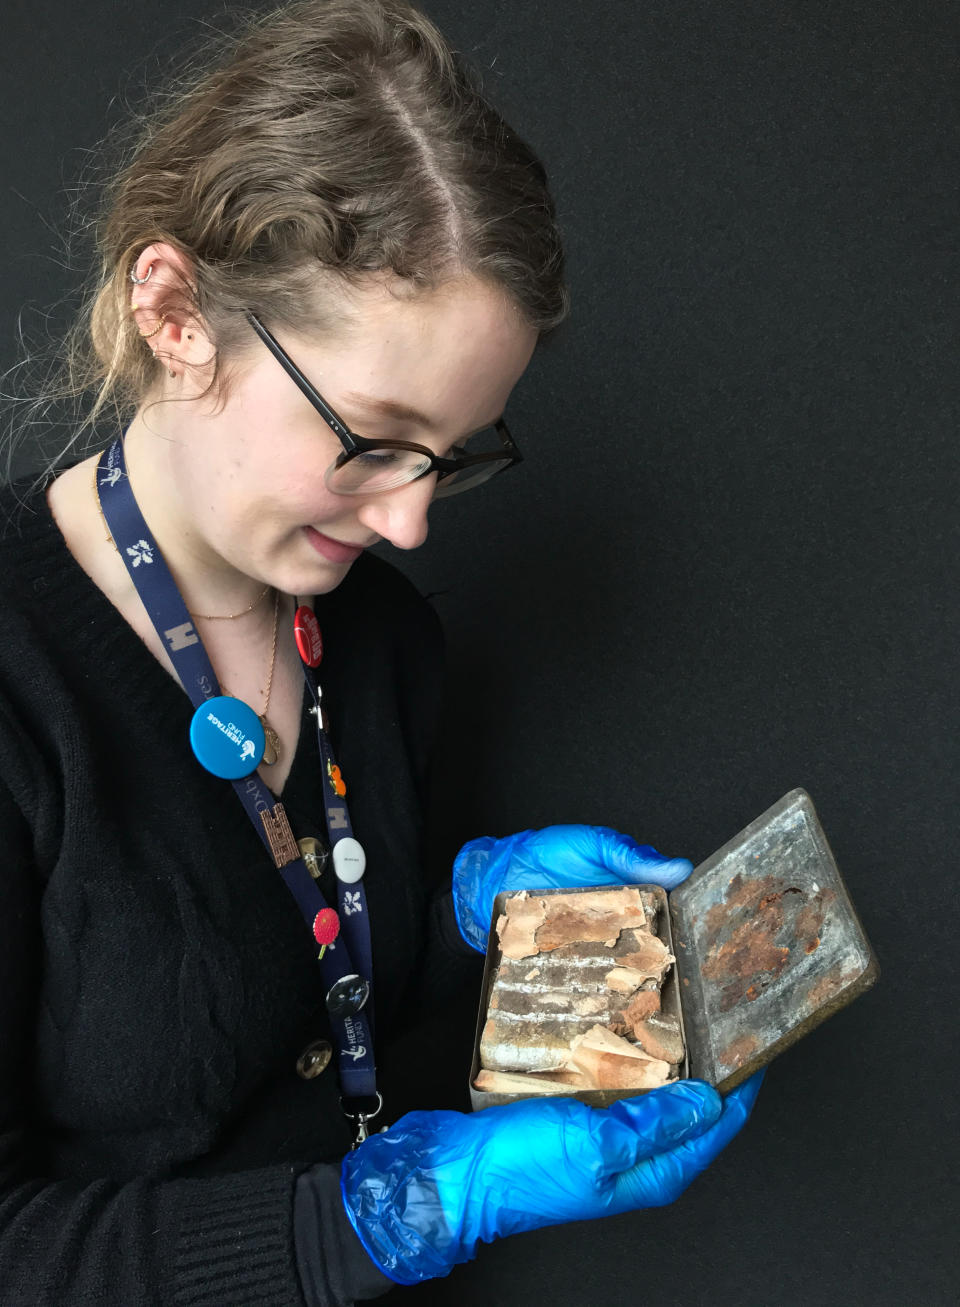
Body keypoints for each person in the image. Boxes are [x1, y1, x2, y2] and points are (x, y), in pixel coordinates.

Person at [0, 1, 762, 1303]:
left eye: (452, 456)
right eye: (368, 439)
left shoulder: (385, 635)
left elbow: (321, 974)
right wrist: (388, 1219)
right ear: (178, 313)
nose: (410, 519)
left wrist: (467, 915)